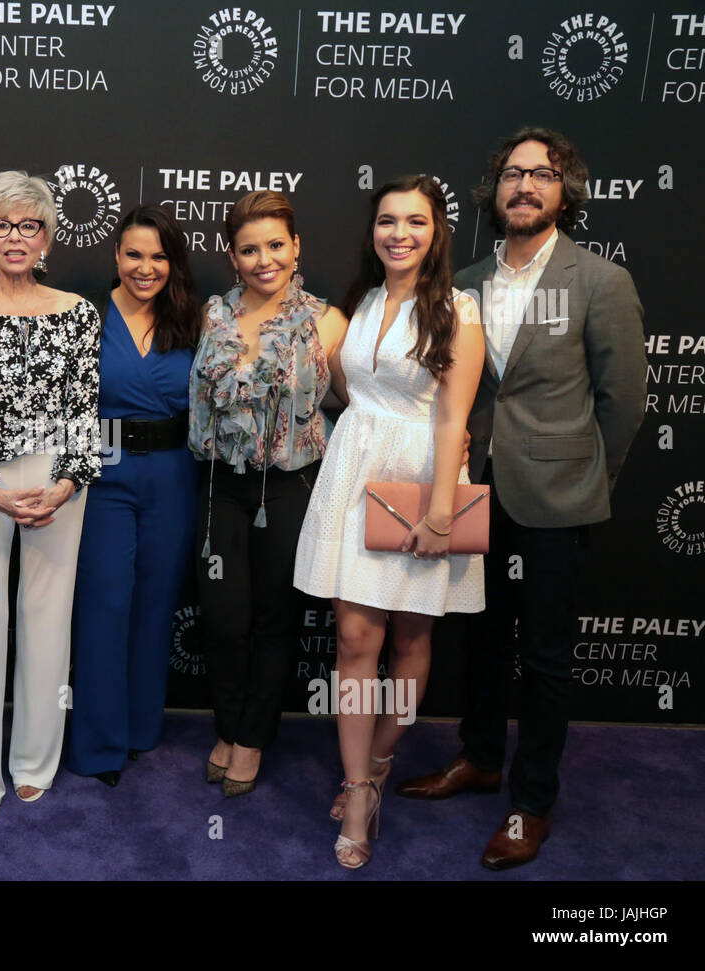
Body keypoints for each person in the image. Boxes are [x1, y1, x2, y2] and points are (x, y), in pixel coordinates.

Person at [395, 128, 647, 870]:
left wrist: (587, 480)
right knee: (477, 637)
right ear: (494, 189)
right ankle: (478, 757)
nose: (525, 186)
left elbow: (623, 402)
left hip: (557, 495)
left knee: (542, 657)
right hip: (475, 494)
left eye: (542, 174)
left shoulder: (601, 281)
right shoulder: (463, 279)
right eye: (512, 174)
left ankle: (531, 800)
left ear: (566, 190)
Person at [293, 175, 486, 869]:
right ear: (371, 231)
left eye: (414, 221)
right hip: (355, 473)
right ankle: (356, 786)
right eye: (386, 220)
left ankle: (377, 765)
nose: (398, 233)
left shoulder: (458, 308)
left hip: (421, 482)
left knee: (409, 635)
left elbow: (453, 415)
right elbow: (348, 390)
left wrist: (440, 509)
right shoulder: (360, 301)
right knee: (353, 637)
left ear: (436, 232)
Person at [0, 171, 101, 819]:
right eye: (1, 224)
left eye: (28, 225)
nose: (14, 237)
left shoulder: (79, 312)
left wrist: (63, 482)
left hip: (60, 475)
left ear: (47, 236)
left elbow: (87, 410)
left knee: (47, 618)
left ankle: (34, 759)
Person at [188, 191, 347, 800]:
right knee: (225, 620)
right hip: (220, 489)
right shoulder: (213, 316)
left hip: (291, 489)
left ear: (296, 246)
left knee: (274, 621)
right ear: (232, 256)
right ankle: (228, 726)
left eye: (275, 245)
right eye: (249, 249)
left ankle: (252, 739)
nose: (264, 260)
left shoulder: (327, 321)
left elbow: (364, 402)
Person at [66, 205, 201, 786]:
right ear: (115, 256)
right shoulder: (81, 316)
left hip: (173, 476)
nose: (145, 268)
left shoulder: (195, 322)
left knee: (154, 604)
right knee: (103, 605)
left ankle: (141, 728)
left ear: (172, 263)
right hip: (103, 475)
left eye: (158, 256)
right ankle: (98, 744)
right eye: (133, 254)